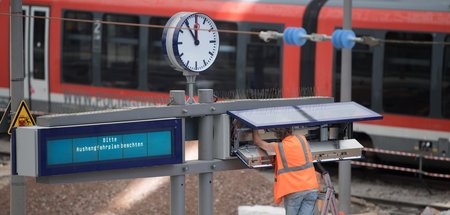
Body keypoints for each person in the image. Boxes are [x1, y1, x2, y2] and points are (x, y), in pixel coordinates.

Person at [253, 127, 319, 215]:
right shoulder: (302, 139)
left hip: (294, 191)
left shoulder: (279, 146)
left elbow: (258, 142)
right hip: (311, 189)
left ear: (278, 135)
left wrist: (254, 127)